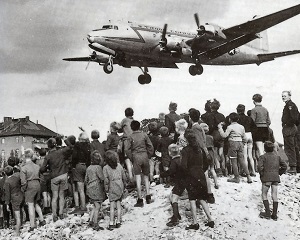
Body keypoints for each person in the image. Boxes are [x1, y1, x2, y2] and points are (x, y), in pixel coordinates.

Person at [181, 129, 214, 230]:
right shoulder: (200, 149)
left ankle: (195, 222)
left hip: (191, 175)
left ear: (186, 139)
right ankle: (210, 219)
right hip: (201, 174)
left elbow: (184, 166)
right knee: (202, 198)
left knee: (192, 199)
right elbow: (206, 163)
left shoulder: (185, 150)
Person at [41, 137, 73, 221]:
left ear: (48, 146)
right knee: (61, 196)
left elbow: (42, 169)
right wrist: (65, 139)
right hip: (63, 174)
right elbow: (70, 147)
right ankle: (61, 213)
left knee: (54, 197)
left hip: (54, 176)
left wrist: (48, 167)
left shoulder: (48, 156)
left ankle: (54, 215)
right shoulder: (61, 152)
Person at [125, 120, 154, 207]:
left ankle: (140, 199)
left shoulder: (130, 137)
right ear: (139, 127)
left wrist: (131, 157)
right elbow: (150, 146)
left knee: (137, 177)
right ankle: (148, 196)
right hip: (144, 155)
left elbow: (127, 149)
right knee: (146, 176)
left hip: (136, 156)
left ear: (131, 127)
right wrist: (148, 155)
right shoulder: (144, 135)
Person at [218, 113, 252, 184]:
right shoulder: (241, 127)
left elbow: (224, 135)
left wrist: (220, 128)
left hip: (233, 143)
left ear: (230, 119)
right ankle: (248, 176)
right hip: (240, 143)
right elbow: (244, 137)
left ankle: (236, 177)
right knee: (242, 160)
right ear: (238, 119)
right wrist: (243, 144)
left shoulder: (230, 127)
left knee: (234, 161)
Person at [258, 141, 287, 220]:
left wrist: (262, 175)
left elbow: (260, 167)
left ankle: (267, 212)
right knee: (274, 195)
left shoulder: (262, 157)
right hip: (275, 178)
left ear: (264, 149)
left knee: (264, 194)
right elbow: (284, 166)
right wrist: (279, 173)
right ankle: (274, 214)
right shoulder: (277, 157)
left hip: (266, 178)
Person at [159, 144, 185, 227]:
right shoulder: (181, 159)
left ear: (170, 153)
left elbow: (170, 172)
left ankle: (175, 218)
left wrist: (161, 175)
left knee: (174, 198)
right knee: (172, 196)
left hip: (179, 182)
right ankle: (176, 214)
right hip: (184, 180)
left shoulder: (174, 161)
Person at [20, 148, 45, 231]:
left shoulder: (23, 168)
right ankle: (41, 220)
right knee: (35, 203)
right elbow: (42, 177)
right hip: (37, 184)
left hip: (29, 185)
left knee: (30, 205)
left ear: (24, 156)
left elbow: (23, 182)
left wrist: (23, 189)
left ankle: (32, 225)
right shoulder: (37, 166)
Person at [103, 150, 126, 230]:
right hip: (119, 185)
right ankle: (118, 221)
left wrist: (106, 190)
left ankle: (111, 222)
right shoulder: (119, 165)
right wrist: (124, 185)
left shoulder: (105, 168)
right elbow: (124, 176)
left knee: (112, 206)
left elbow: (106, 180)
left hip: (112, 186)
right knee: (119, 205)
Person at [203, 99, 226, 176]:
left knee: (215, 152)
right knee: (221, 152)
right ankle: (224, 168)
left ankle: (218, 169)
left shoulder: (210, 116)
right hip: (221, 134)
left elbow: (211, 126)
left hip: (214, 134)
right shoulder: (222, 115)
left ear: (211, 107)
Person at [71, 132, 91, 214]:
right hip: (85, 166)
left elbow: (74, 156)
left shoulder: (77, 145)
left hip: (78, 166)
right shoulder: (88, 146)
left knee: (80, 189)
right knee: (85, 187)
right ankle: (85, 203)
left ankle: (82, 206)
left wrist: (73, 166)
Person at [85, 150, 105, 231]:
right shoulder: (98, 168)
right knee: (98, 206)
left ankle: (91, 221)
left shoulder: (89, 167)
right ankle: (96, 223)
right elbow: (102, 178)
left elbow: (85, 179)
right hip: (97, 189)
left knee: (94, 205)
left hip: (89, 189)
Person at [281, 91, 299, 174]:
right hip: (292, 127)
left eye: (285, 96)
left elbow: (294, 118)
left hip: (289, 128)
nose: (283, 97)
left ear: (289, 96)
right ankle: (296, 166)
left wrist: (287, 124)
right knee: (294, 147)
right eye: (282, 96)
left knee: (289, 147)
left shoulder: (290, 105)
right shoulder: (290, 105)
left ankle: (293, 167)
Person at [3, 165, 24, 236]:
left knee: (17, 215)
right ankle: (20, 224)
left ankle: (17, 231)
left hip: (14, 197)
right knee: (20, 211)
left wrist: (7, 204)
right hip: (21, 195)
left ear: (5, 173)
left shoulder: (7, 182)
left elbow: (7, 194)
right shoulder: (17, 178)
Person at [236, 104, 256, 176]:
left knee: (244, 155)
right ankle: (253, 171)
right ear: (244, 110)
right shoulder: (249, 118)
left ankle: (246, 171)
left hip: (243, 136)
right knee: (250, 155)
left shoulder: (238, 119)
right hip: (249, 135)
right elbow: (254, 127)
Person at [200, 123, 219, 189]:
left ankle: (207, 185)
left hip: (205, 153)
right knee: (212, 169)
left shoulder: (201, 138)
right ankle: (216, 183)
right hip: (211, 153)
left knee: (206, 170)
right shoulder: (211, 137)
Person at [35, 148, 51, 215]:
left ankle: (46, 207)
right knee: (49, 193)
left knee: (44, 193)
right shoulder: (48, 160)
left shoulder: (38, 162)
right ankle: (49, 207)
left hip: (42, 178)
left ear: (39, 154)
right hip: (49, 176)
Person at [147, 122, 161, 186]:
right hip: (157, 154)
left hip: (150, 155)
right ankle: (157, 180)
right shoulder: (158, 138)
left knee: (151, 169)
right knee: (157, 168)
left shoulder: (148, 138)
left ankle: (151, 180)